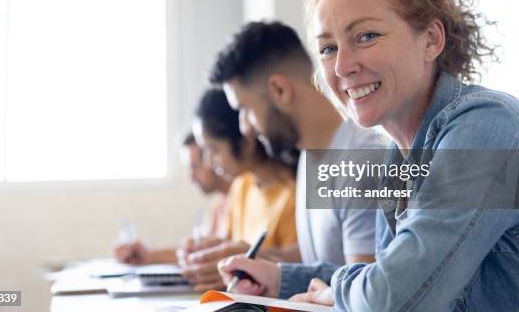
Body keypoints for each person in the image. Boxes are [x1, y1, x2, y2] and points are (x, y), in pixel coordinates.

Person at [219, 0, 519, 311]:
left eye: (366, 36)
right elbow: (390, 274)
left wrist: (338, 291)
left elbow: (394, 297)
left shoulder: (489, 126)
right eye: (328, 48)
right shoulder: (399, 155)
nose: (342, 66)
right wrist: (281, 279)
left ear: (431, 39)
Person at [209, 20, 387, 298]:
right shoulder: (309, 153)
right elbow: (328, 254)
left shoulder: (363, 161)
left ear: (279, 90)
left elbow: (363, 294)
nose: (245, 128)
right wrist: (262, 260)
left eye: (245, 109)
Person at [179, 88, 298, 292]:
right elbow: (227, 246)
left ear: (245, 143)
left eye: (214, 149)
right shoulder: (241, 187)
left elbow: (300, 271)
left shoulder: (294, 192)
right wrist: (207, 253)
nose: (209, 161)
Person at [113, 132, 231, 265]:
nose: (191, 177)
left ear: (213, 157)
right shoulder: (220, 203)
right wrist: (148, 255)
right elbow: (199, 253)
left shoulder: (242, 199)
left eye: (195, 167)